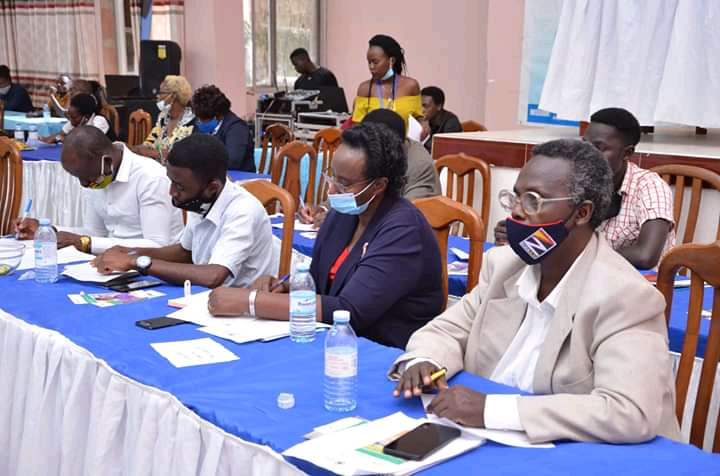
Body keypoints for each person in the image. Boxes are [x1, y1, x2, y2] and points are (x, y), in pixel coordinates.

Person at [391, 139, 680, 444]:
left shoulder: (625, 296)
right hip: (483, 439)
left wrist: (493, 410)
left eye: (534, 200)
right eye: (515, 197)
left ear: (582, 213)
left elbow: (628, 411)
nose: (516, 212)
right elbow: (446, 331)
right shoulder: (504, 265)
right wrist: (425, 361)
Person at [206, 123, 444, 348]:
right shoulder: (343, 215)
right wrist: (285, 287)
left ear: (378, 186)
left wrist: (250, 302)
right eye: (332, 177)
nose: (331, 190)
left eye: (344, 184)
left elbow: (349, 311)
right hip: (332, 338)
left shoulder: (404, 230)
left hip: (386, 351)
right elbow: (320, 284)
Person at [93, 134, 276, 288]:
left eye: (180, 187)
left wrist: (137, 262)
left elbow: (213, 276)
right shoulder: (201, 199)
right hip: (204, 295)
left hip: (241, 304)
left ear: (212, 187)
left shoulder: (242, 211)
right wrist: (131, 252)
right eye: (171, 182)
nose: (172, 192)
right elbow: (185, 252)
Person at [16, 126, 183, 254]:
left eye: (87, 177)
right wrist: (48, 231)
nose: (84, 184)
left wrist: (85, 243)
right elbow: (95, 233)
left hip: (153, 266)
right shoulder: (97, 176)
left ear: (107, 162)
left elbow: (157, 244)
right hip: (112, 261)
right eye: (78, 178)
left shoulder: (150, 178)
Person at [298, 109, 442, 228]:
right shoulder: (365, 154)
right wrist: (322, 210)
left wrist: (340, 219)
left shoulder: (419, 165)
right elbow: (348, 188)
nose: (331, 190)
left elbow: (407, 217)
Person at [351, 35, 422, 127]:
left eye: (375, 62)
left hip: (402, 136)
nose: (371, 67)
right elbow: (357, 127)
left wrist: (425, 124)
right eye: (369, 62)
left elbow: (420, 119)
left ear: (391, 61)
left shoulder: (411, 86)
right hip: (373, 136)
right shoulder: (365, 88)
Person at [191, 84, 255, 172]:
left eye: (202, 119)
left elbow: (232, 162)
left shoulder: (237, 128)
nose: (199, 122)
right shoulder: (201, 123)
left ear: (218, 115)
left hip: (238, 177)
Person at [133, 75, 195, 164]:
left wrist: (156, 153)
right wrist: (136, 149)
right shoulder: (163, 117)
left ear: (173, 96)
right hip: (157, 166)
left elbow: (183, 156)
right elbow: (149, 143)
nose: (157, 97)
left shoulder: (191, 121)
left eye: (161, 93)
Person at [41, 93, 115, 143]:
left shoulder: (99, 121)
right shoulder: (74, 121)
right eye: (70, 116)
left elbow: (88, 142)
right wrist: (43, 140)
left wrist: (62, 138)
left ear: (86, 116)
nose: (70, 120)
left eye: (73, 117)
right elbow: (61, 134)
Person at [420, 86, 462, 153]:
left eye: (426, 106)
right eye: (419, 105)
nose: (421, 110)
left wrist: (426, 136)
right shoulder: (421, 119)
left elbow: (444, 150)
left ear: (439, 106)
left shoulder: (451, 122)